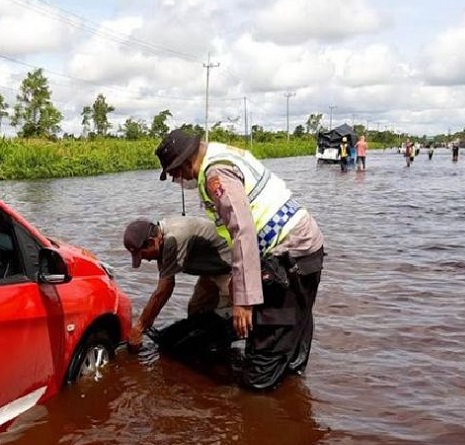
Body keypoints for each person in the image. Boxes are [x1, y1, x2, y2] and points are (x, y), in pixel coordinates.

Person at [153, 129, 325, 391]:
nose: (177, 180)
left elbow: (242, 230)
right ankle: (294, 397)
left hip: (288, 253)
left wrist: (244, 301)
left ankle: (261, 413)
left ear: (185, 163)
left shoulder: (214, 176)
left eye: (174, 174)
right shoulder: (222, 154)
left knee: (259, 370)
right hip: (306, 246)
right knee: (293, 337)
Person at [123, 216, 233, 352]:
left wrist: (139, 327)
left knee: (222, 321)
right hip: (210, 269)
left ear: (152, 242)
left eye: (144, 256)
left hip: (229, 266)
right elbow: (163, 286)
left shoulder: (172, 240)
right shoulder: (161, 239)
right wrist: (146, 322)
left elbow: (165, 289)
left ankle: (223, 358)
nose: (148, 260)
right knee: (196, 310)